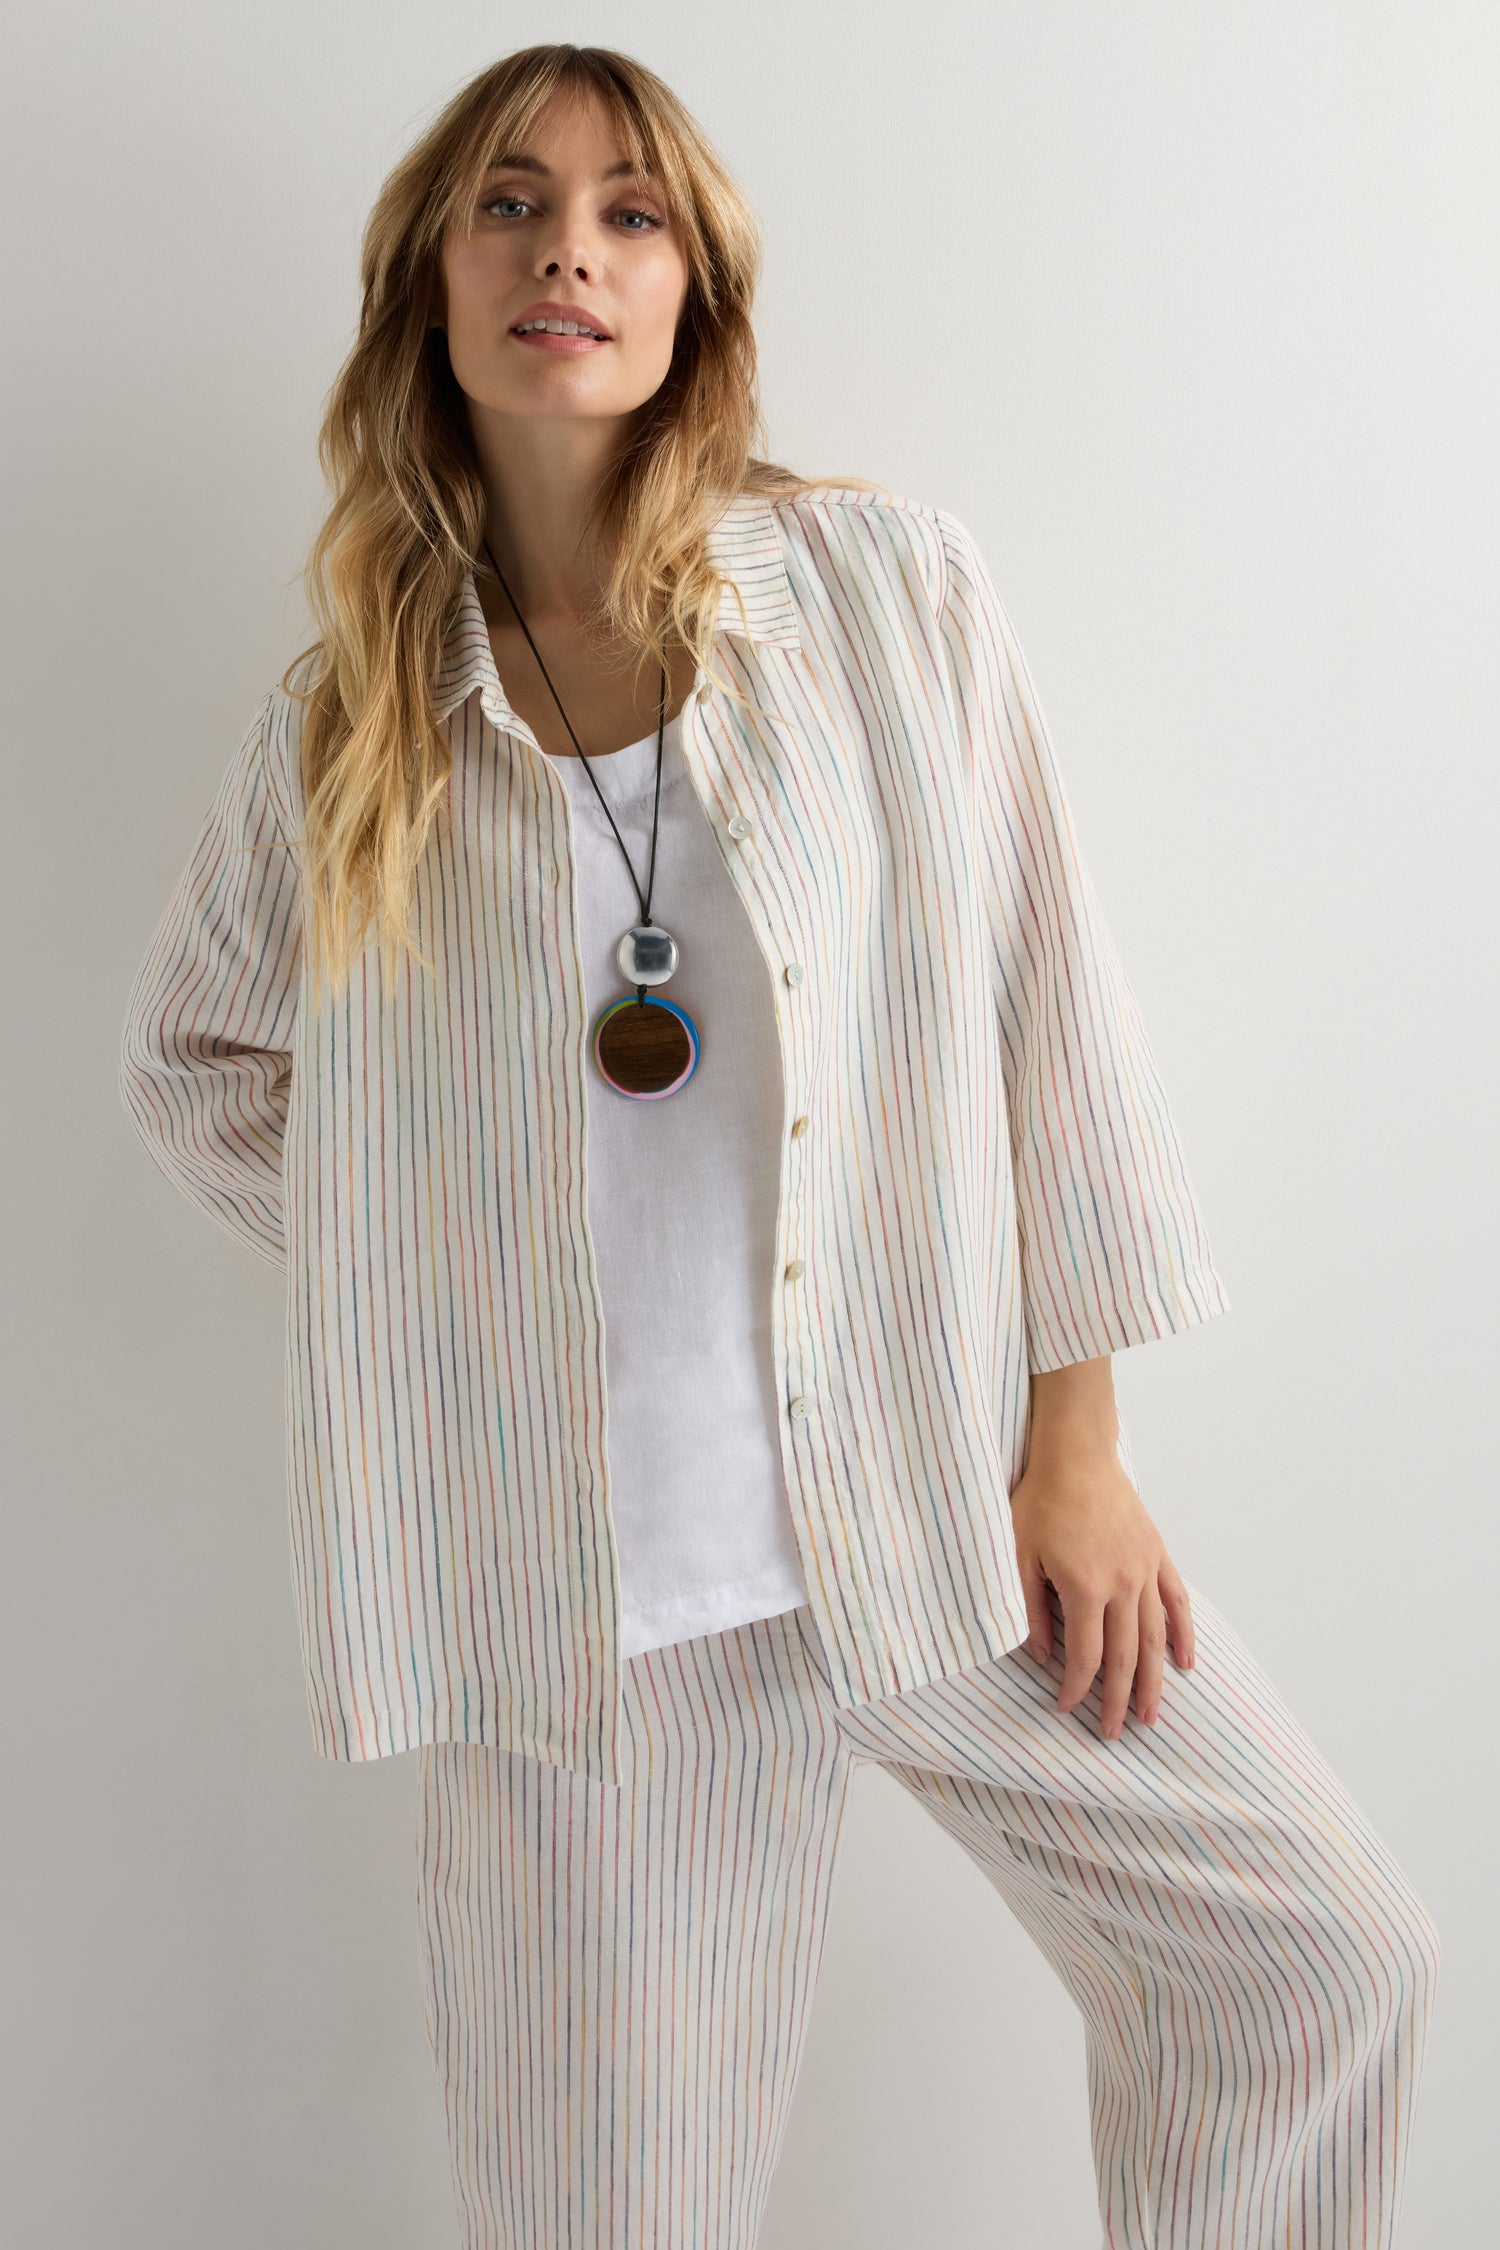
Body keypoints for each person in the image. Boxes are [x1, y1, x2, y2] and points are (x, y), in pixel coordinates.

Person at [118, 41, 1439, 2250]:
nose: (572, 250)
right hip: (582, 1610)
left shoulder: (877, 600)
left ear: (694, 290)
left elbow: (1045, 1009)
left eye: (632, 214)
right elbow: (203, 1066)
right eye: (513, 207)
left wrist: (1079, 1446)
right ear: (429, 287)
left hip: (937, 1514)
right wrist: (454, 1267)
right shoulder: (352, 725)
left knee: (1317, 1957)